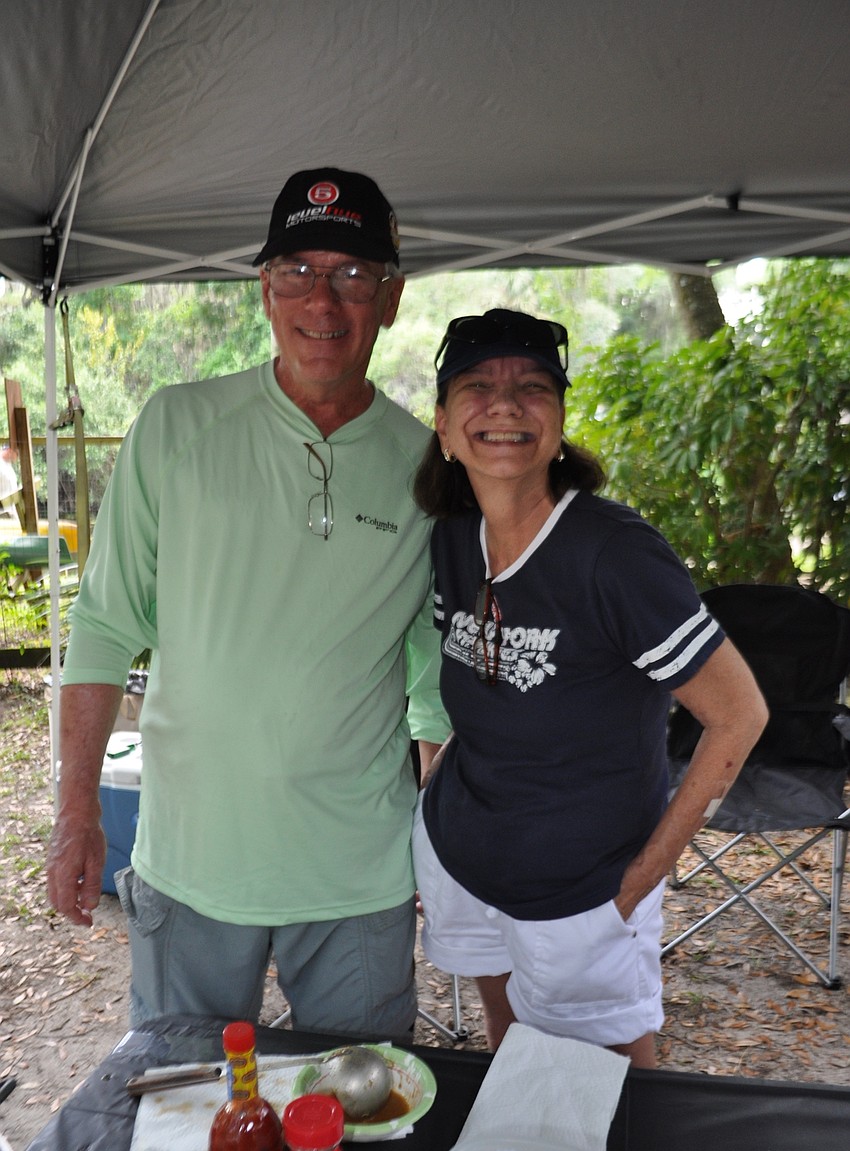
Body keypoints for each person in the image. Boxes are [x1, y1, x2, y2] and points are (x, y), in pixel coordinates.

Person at [47, 168, 449, 1038]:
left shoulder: (430, 467)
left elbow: (433, 672)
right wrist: (77, 814)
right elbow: (106, 624)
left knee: (358, 1128)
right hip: (194, 864)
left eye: (353, 275)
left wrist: (444, 842)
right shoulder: (176, 427)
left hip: (359, 875)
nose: (324, 302)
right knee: (180, 1118)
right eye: (299, 272)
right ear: (263, 289)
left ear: (392, 298)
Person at [411, 308, 768, 1067]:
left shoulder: (614, 554)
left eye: (533, 387)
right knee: (515, 1059)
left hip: (587, 887)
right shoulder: (450, 538)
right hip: (464, 855)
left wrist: (642, 879)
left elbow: (739, 715)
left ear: (559, 420)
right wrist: (434, 778)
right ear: (444, 427)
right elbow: (462, 674)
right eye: (478, 386)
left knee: (612, 1092)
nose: (505, 404)